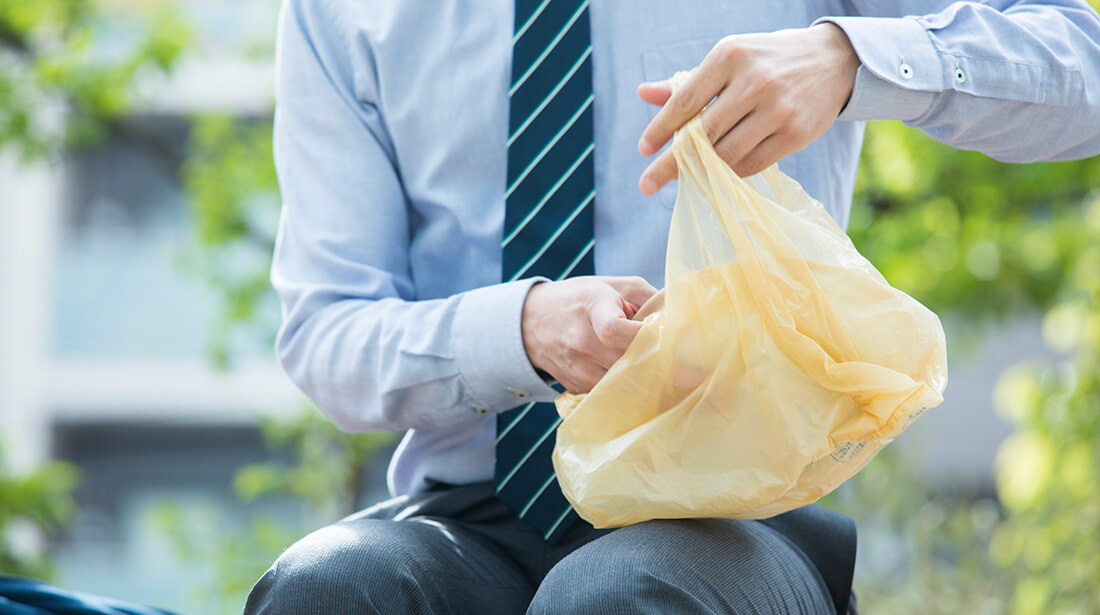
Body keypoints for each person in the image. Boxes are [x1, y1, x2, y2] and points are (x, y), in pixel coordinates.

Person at [245, 1, 1100, 613]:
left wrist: (848, 59)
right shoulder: (338, 13)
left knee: (616, 596)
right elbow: (327, 331)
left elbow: (1080, 60)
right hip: (469, 515)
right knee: (327, 586)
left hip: (731, 516)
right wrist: (522, 333)